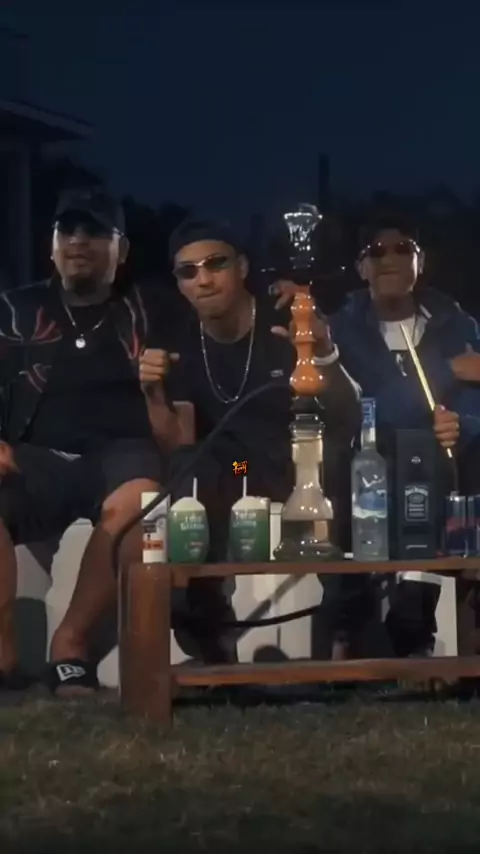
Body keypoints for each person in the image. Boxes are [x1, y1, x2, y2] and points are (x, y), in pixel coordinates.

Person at [139, 218, 363, 657]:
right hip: (240, 469)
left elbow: (348, 415)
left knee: (336, 461)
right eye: (188, 271)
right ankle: (204, 622)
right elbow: (179, 442)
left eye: (215, 264)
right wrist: (152, 392)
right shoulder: (179, 340)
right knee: (191, 467)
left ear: (241, 267)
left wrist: (322, 352)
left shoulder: (285, 316)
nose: (203, 279)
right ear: (179, 283)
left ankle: (349, 629)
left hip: (301, 462)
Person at [0, 188, 186, 695]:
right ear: (52, 245)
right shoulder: (14, 309)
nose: (78, 241)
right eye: (68, 231)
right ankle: (5, 656)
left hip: (121, 455)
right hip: (35, 458)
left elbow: (222, 307)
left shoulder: (152, 308)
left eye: (95, 231)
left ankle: (70, 646)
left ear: (121, 249)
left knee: (142, 499)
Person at [321, 214, 480, 658]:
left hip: (445, 460)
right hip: (365, 456)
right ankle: (355, 625)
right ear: (361, 268)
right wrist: (446, 370)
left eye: (403, 249)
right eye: (376, 251)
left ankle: (417, 623)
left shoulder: (454, 322)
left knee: (435, 458)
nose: (389, 258)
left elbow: (475, 399)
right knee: (355, 462)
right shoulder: (339, 329)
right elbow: (357, 408)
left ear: (420, 261)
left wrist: (463, 423)